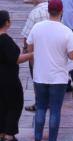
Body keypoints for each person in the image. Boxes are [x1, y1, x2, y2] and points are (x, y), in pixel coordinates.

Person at [27, 0, 73, 141]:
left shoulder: (37, 27)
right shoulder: (66, 31)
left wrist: (35, 63)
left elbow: (29, 48)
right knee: (55, 111)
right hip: (58, 78)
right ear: (61, 11)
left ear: (48, 10)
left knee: (41, 108)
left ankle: (38, 138)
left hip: (40, 75)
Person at [0, 10, 32, 141]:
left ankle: (1, 132)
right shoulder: (4, 40)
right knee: (15, 104)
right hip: (8, 79)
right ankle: (8, 134)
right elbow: (16, 59)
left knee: (2, 105)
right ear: (7, 22)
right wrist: (33, 54)